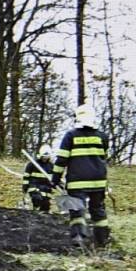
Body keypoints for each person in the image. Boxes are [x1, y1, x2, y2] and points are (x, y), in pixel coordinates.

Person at [51, 103, 111, 247]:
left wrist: (55, 178)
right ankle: (102, 240)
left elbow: (61, 159)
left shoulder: (71, 136)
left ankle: (78, 238)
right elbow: (105, 159)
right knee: (98, 210)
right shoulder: (102, 137)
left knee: (77, 210)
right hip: (98, 182)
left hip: (77, 181)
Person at [22, 144, 54, 212]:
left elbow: (54, 179)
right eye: (43, 157)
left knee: (45, 208)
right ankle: (35, 208)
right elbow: (26, 177)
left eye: (47, 157)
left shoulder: (51, 166)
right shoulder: (32, 165)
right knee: (37, 198)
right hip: (34, 187)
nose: (45, 159)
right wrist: (25, 188)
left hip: (46, 190)